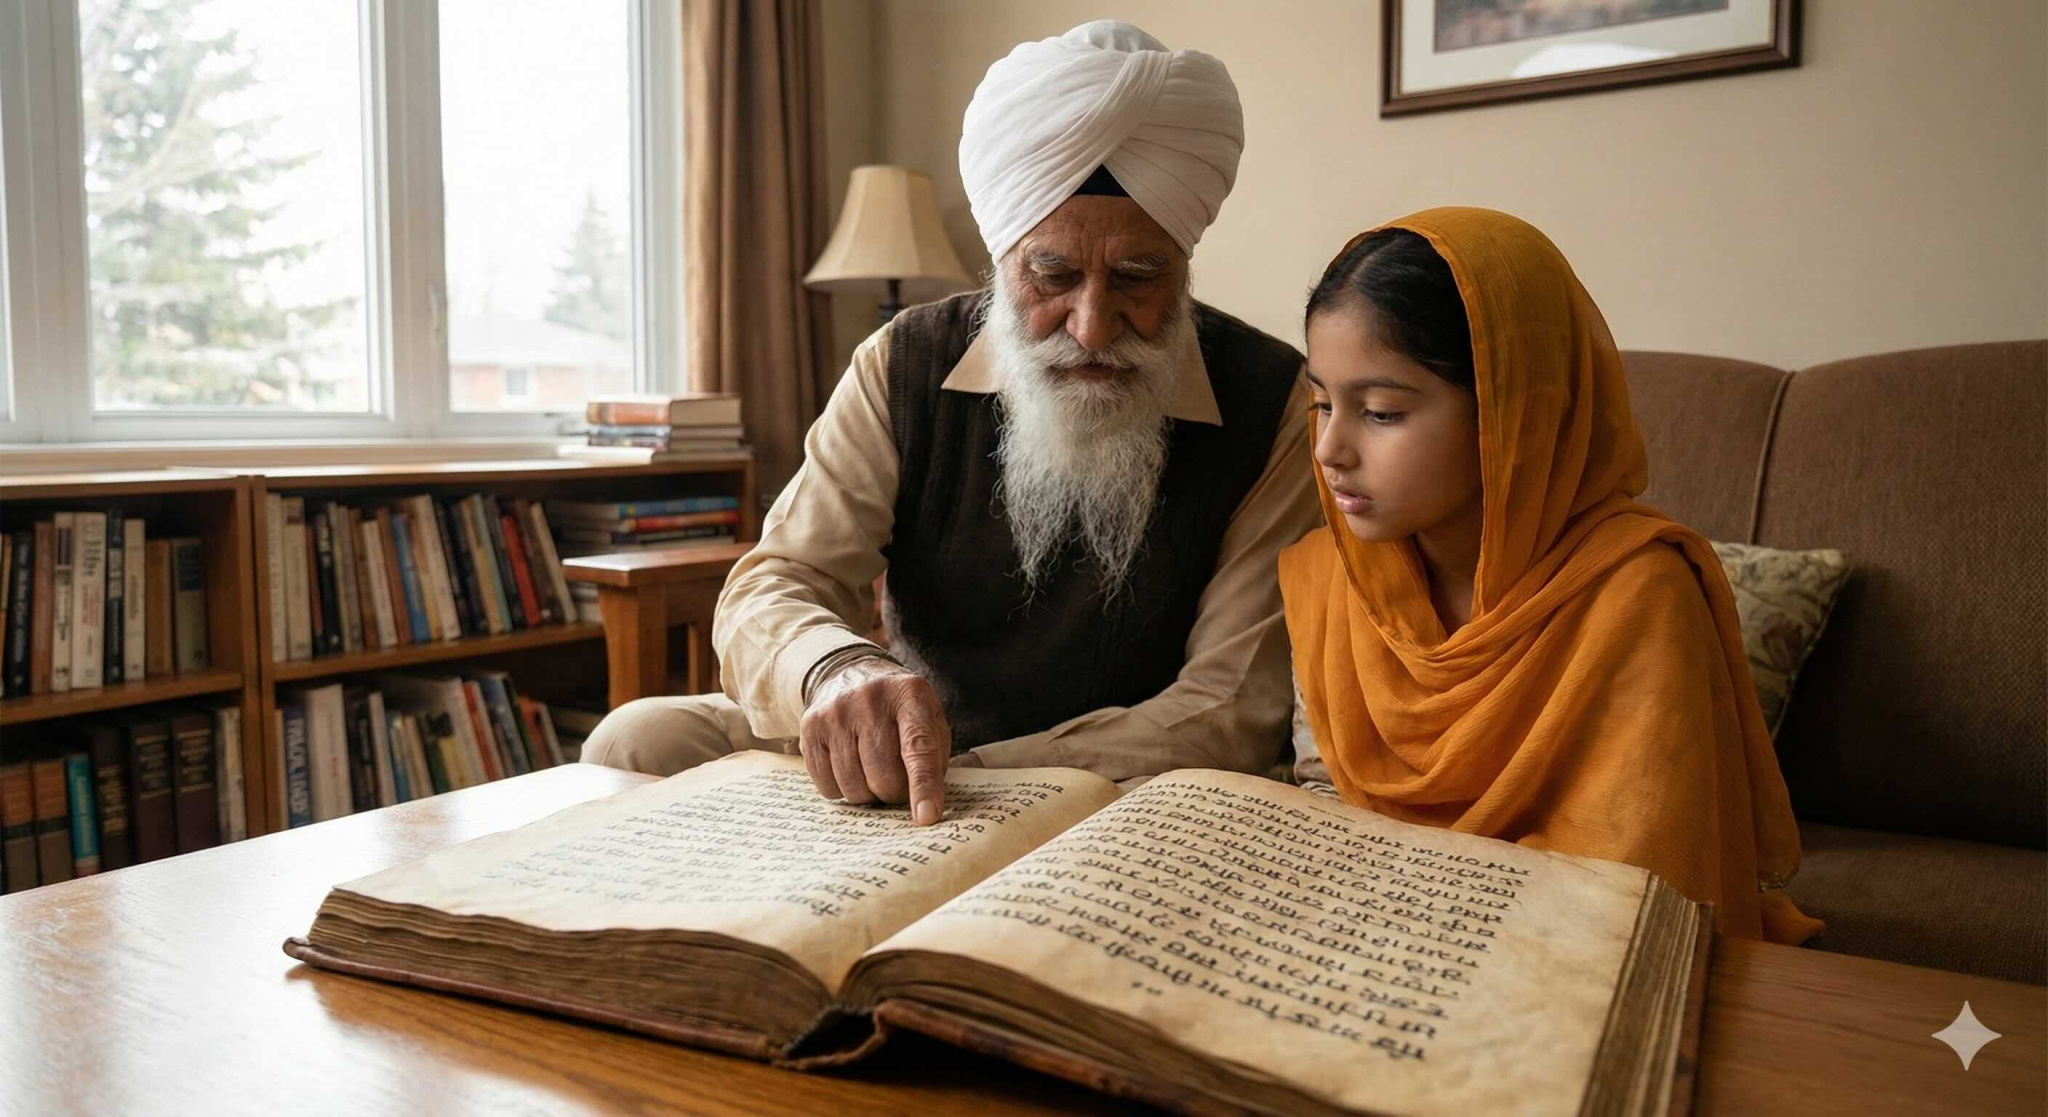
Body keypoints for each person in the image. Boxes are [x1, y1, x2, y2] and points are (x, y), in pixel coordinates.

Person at [583, 20, 1320, 826]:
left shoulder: (1272, 397)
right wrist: (839, 671)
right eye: (1053, 275)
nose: (1092, 326)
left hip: (1121, 775)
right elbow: (777, 580)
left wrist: (963, 774)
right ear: (1002, 261)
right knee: (639, 738)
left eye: (1137, 276)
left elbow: (1228, 707)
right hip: (908, 751)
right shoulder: (901, 363)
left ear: (1183, 266)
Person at [1281, 207, 1822, 943]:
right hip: (1364, 942)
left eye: (1380, 413)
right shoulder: (1338, 577)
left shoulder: (1638, 591)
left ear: (1516, 414)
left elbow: (1636, 881)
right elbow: (1326, 811)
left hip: (1558, 959)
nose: (1329, 449)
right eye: (1321, 403)